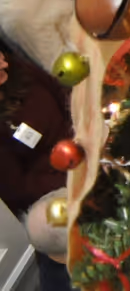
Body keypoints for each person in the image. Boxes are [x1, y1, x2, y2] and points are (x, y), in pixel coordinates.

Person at [0, 46, 76, 284]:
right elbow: (19, 190)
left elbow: (63, 95)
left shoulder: (19, 70)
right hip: (50, 189)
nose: (3, 64)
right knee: (58, 227)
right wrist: (69, 173)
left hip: (79, 143)